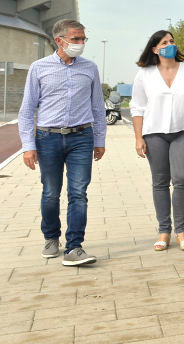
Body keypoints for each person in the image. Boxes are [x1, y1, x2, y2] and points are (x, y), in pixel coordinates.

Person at [18, 19, 106, 266]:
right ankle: (51, 237)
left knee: (78, 193)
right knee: (51, 193)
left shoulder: (90, 68)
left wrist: (99, 140)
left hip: (81, 137)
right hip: (48, 138)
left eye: (82, 39)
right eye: (75, 39)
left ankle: (75, 246)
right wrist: (28, 146)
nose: (80, 44)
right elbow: (26, 111)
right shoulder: (39, 68)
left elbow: (98, 107)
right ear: (60, 40)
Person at [130, 30, 184, 251]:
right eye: (164, 42)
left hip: (183, 133)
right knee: (160, 182)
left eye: (172, 41)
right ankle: (164, 231)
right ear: (155, 49)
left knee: (181, 179)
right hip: (154, 134)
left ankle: (181, 230)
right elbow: (137, 108)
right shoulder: (144, 74)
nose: (170, 44)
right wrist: (138, 137)